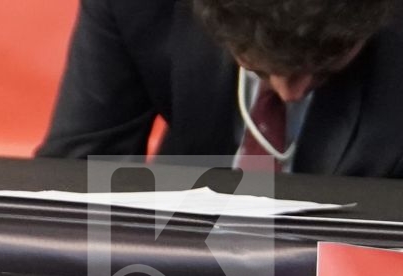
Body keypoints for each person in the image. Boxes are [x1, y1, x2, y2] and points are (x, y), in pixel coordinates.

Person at [39, 0, 403, 176]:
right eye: (261, 69)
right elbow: (78, 171)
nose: (291, 92)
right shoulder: (139, 7)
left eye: (323, 69)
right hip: (181, 258)